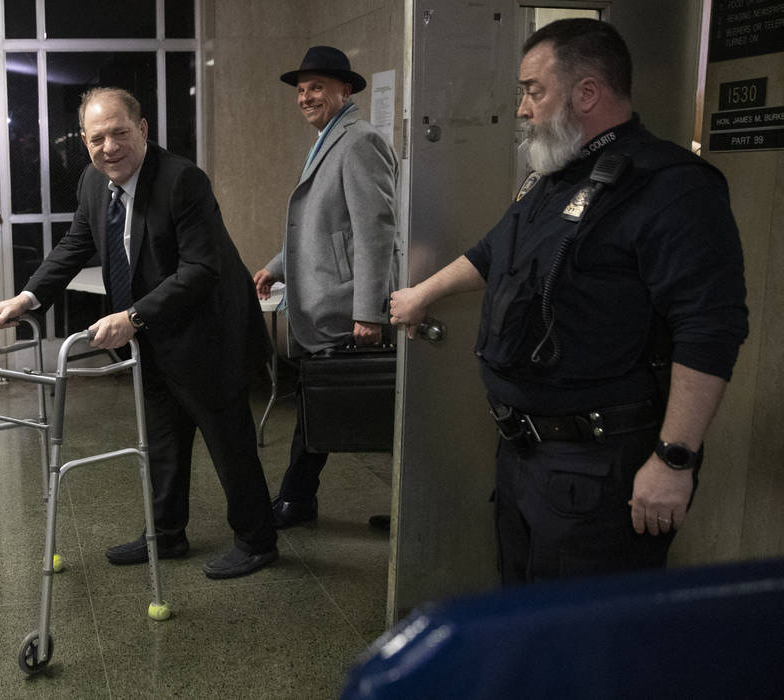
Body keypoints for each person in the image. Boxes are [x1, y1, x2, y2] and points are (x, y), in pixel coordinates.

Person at [389, 19, 747, 583]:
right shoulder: (553, 176)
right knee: (528, 617)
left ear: (586, 93)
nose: (524, 109)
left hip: (600, 466)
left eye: (534, 91)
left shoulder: (671, 187)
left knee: (585, 643)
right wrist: (422, 293)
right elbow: (495, 252)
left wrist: (675, 459)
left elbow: (710, 327)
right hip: (525, 454)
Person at [0, 87, 279, 579]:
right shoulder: (92, 182)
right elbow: (75, 244)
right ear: (84, 141)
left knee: (228, 441)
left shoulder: (182, 181)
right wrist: (28, 298)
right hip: (154, 333)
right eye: (98, 138)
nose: (110, 147)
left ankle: (257, 541)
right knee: (162, 439)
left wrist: (133, 317)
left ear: (142, 130)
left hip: (209, 335)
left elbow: (201, 269)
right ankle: (166, 536)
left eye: (120, 133)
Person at [254, 46, 398, 529]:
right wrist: (276, 267)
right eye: (301, 89)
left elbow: (375, 233)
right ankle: (300, 496)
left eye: (316, 87)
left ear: (346, 89)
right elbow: (318, 229)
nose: (305, 97)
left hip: (343, 306)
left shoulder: (360, 142)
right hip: (322, 303)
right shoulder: (328, 140)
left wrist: (370, 312)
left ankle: (298, 498)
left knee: (332, 404)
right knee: (320, 402)